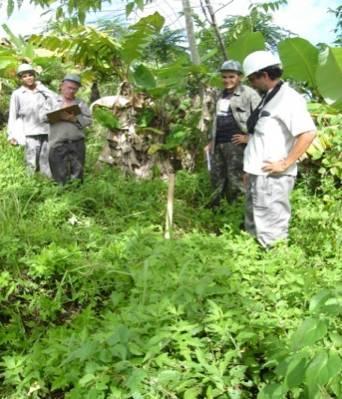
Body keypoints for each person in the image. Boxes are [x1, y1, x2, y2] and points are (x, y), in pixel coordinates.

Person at [242, 50, 316, 247]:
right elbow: (260, 136)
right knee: (254, 222)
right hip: (257, 173)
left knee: (271, 228)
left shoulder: (288, 99)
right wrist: (249, 170)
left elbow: (308, 133)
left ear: (264, 75)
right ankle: (255, 261)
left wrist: (285, 163)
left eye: (252, 79)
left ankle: (273, 268)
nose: (251, 83)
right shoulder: (268, 97)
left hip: (272, 177)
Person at [205, 60, 261, 207]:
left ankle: (238, 213)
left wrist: (249, 137)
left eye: (231, 76)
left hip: (236, 144)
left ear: (239, 77)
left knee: (236, 179)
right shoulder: (219, 95)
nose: (227, 80)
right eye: (224, 77)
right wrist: (212, 141)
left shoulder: (249, 94)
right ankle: (217, 212)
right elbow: (216, 120)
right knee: (217, 178)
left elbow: (261, 117)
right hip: (219, 143)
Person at [41, 74, 92, 185]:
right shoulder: (52, 101)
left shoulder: (80, 103)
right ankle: (61, 194)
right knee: (59, 174)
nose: (72, 91)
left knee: (78, 173)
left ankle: (77, 195)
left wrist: (74, 119)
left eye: (75, 89)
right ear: (62, 86)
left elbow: (88, 120)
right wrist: (59, 114)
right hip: (58, 143)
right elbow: (42, 117)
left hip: (77, 143)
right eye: (69, 88)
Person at [8, 63, 53, 177]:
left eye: (30, 75)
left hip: (46, 130)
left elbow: (56, 101)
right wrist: (11, 135)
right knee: (31, 160)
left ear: (35, 76)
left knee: (46, 160)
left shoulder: (43, 91)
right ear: (20, 79)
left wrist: (43, 89)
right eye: (24, 76)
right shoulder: (17, 94)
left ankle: (46, 184)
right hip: (30, 132)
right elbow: (13, 115)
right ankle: (30, 183)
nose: (28, 78)